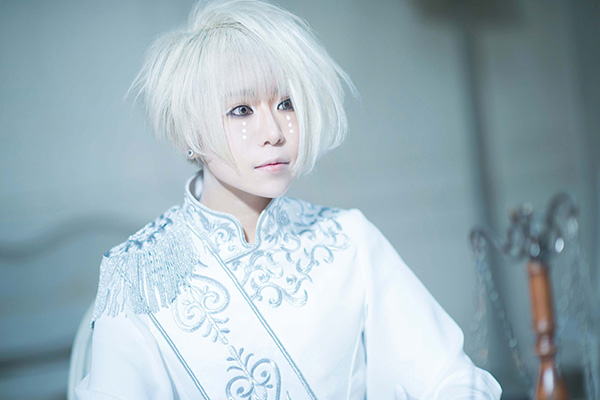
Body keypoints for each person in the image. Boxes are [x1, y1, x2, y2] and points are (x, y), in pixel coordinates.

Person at [75, 0, 502, 398]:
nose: (275, 132)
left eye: (286, 103)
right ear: (191, 131)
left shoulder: (347, 239)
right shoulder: (133, 274)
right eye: (242, 110)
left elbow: (452, 378)